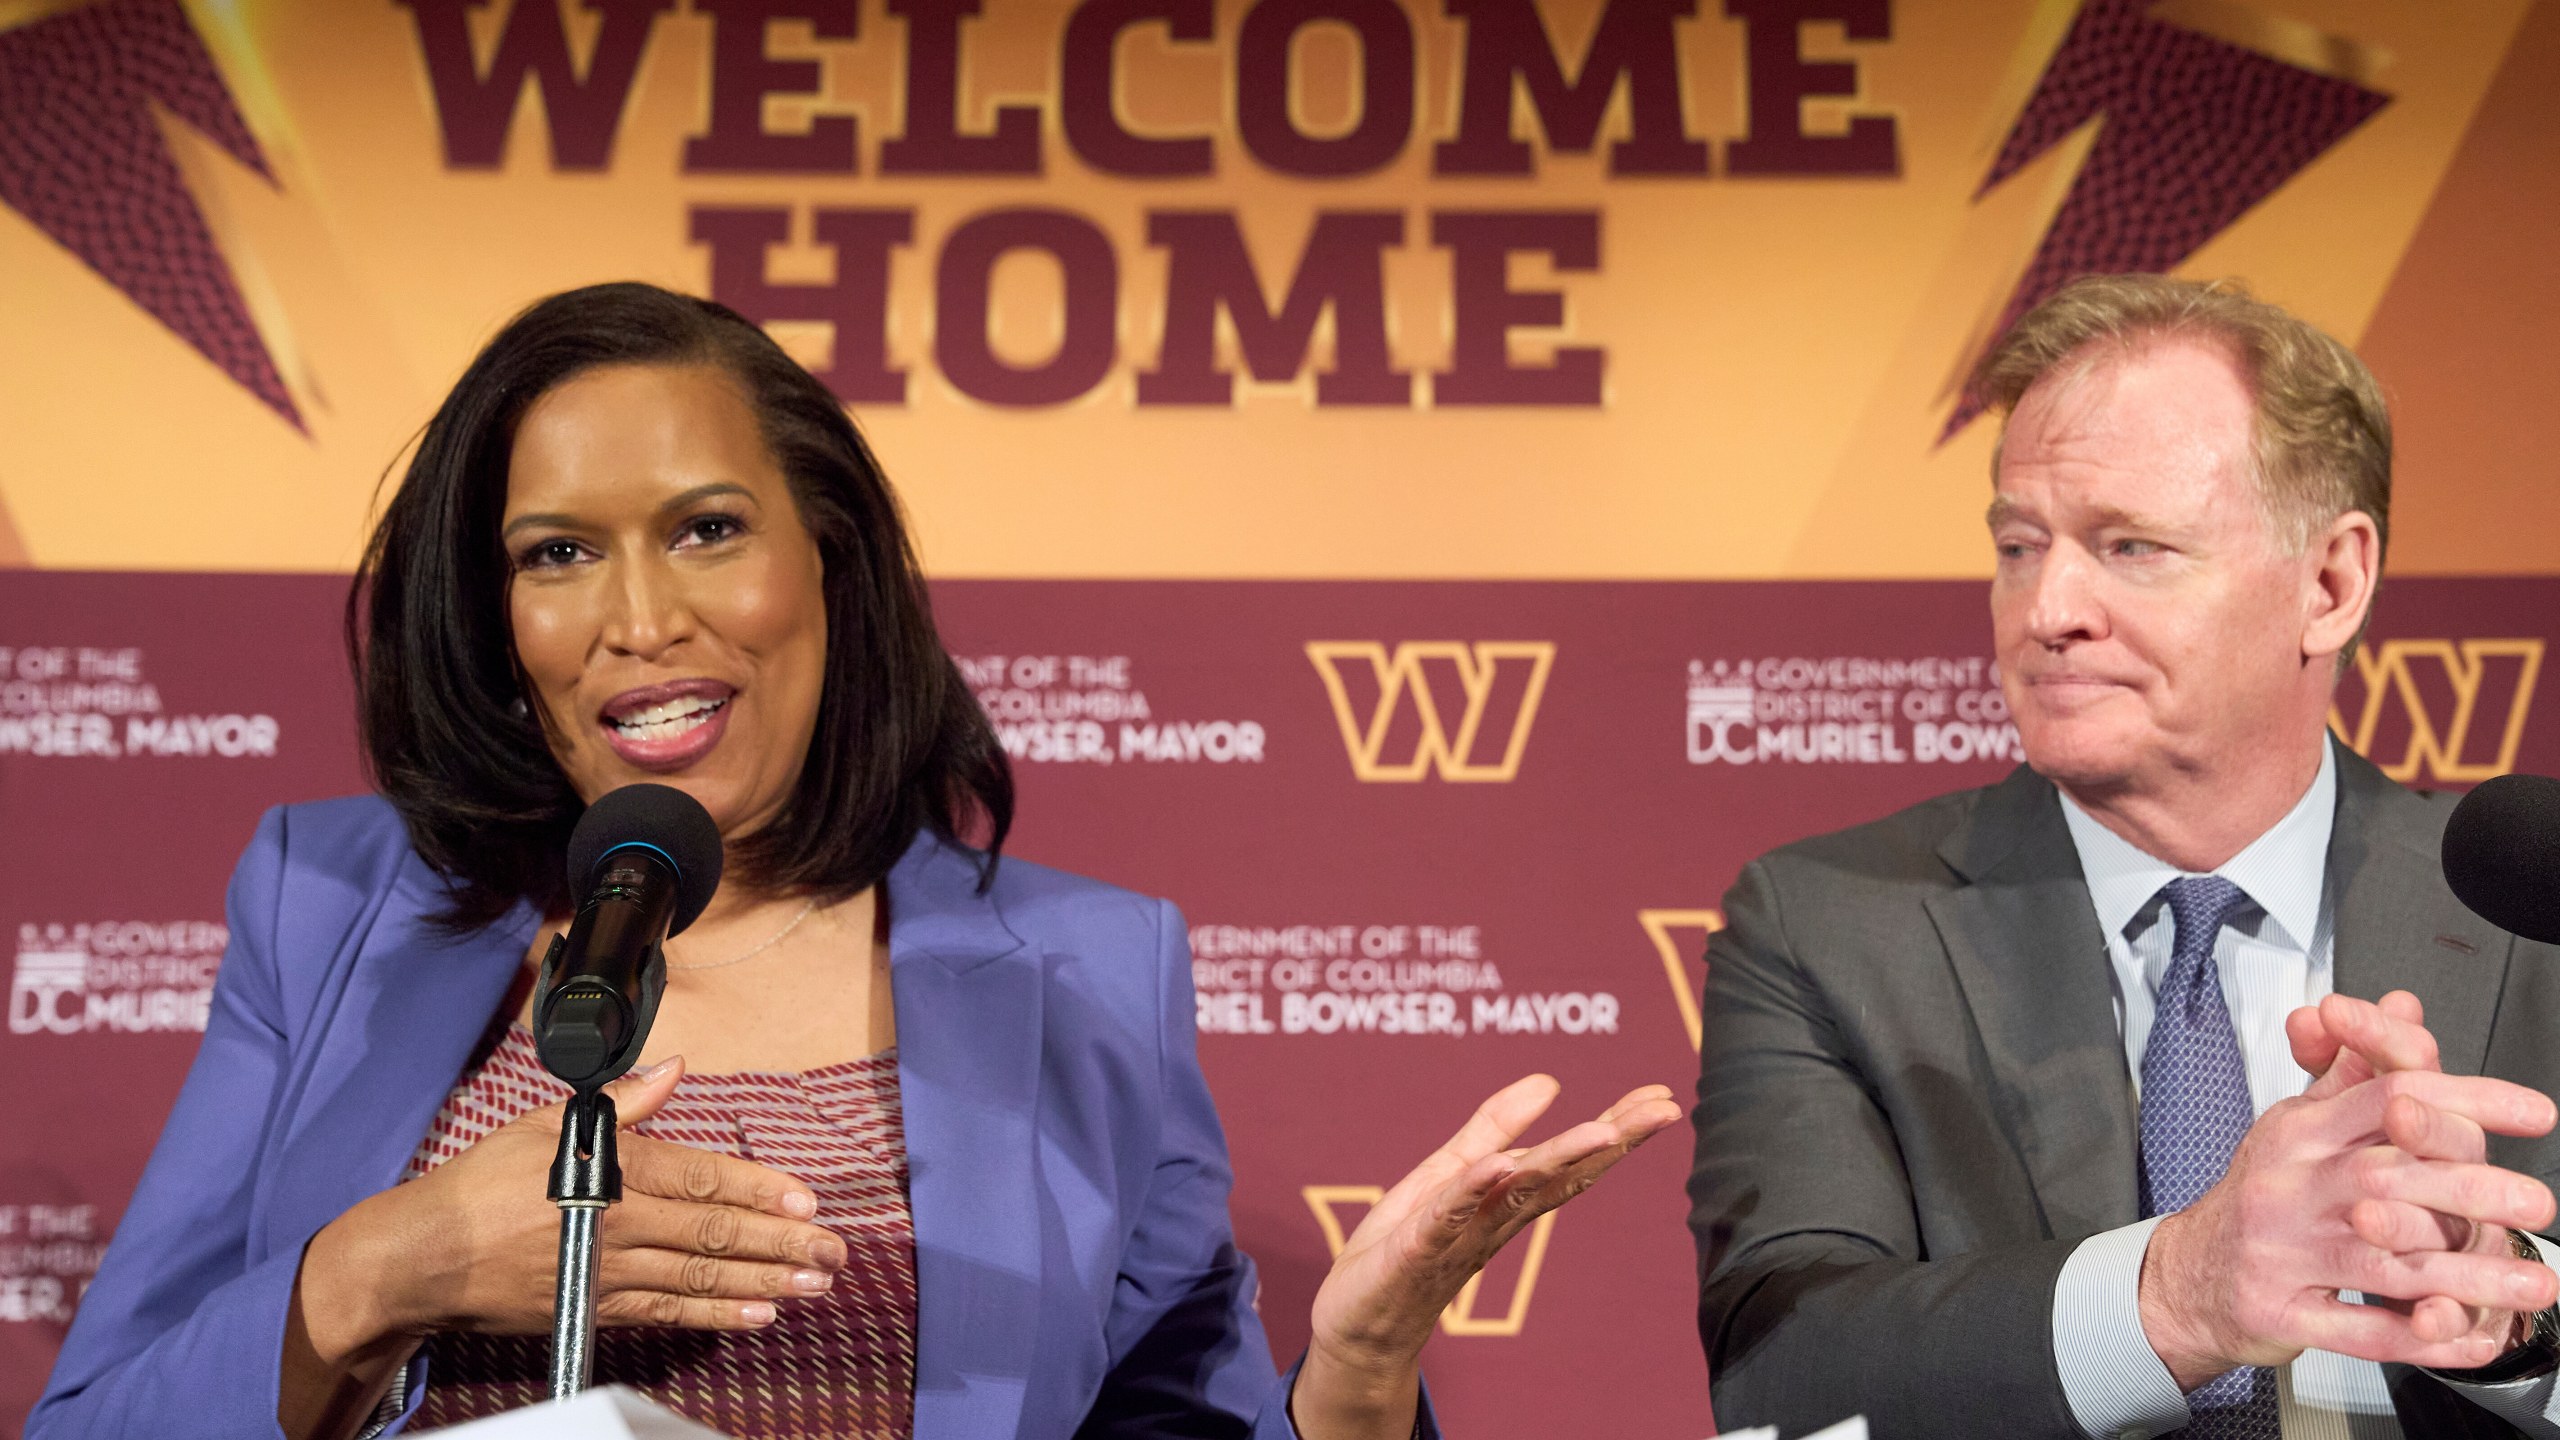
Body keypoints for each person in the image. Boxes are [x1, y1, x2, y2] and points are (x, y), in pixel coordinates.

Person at [30, 282, 1680, 1440]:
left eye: (705, 528)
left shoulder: (1094, 967)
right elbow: (104, 1424)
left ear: (828, 562)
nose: (638, 619)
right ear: (493, 614)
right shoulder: (326, 908)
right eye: (556, 555)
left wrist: (1361, 1371)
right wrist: (391, 1266)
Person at [1687, 274, 2560, 1439]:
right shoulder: (1832, 924)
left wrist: (2514, 1315)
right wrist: (2175, 1295)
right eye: (2016, 544)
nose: (2045, 607)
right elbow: (1780, 1382)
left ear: (2331, 583)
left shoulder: (2532, 908)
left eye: (2130, 546)